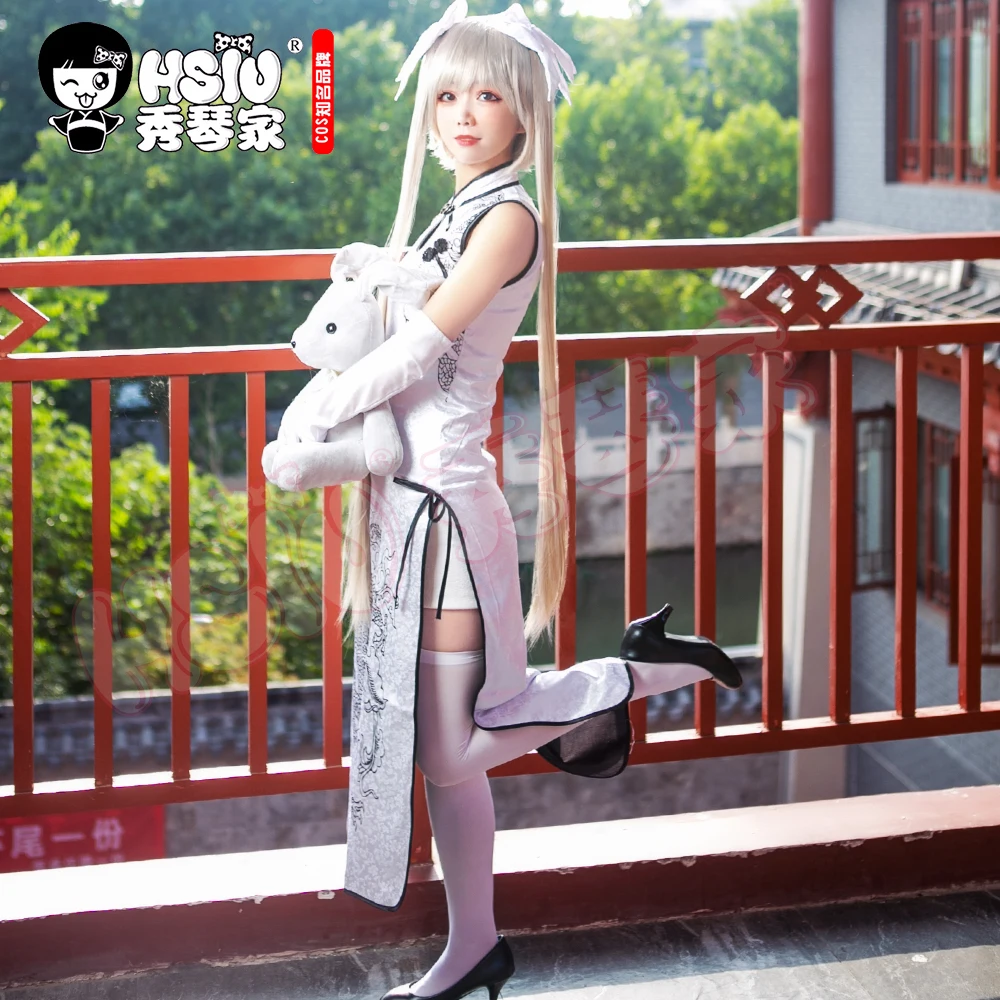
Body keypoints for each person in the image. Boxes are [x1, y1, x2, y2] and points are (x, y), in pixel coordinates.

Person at [293, 3, 744, 997]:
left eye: (487, 94)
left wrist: (316, 410)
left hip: (450, 511)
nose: (463, 112)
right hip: (406, 505)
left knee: (451, 744)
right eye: (447, 93)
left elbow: (422, 347)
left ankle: (637, 674)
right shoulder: (453, 213)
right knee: (446, 756)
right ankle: (475, 948)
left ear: (524, 111)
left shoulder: (506, 218)